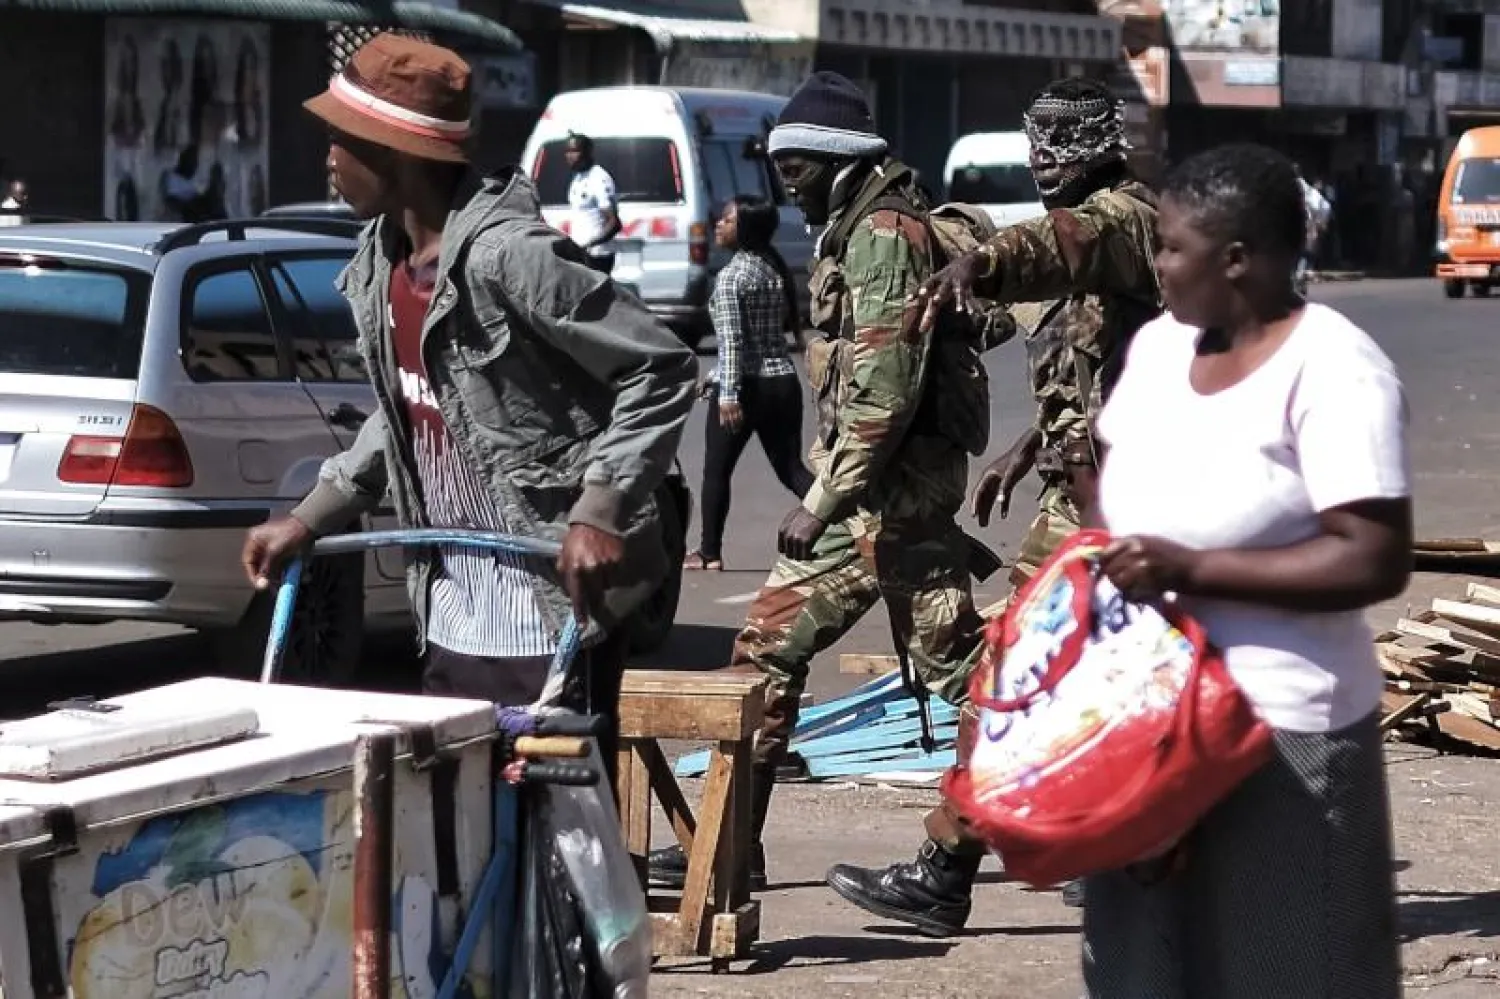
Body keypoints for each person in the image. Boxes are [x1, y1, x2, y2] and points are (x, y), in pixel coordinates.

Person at [239, 35, 696, 781]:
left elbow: (662, 366)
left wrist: (601, 507)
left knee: (560, 843)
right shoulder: (376, 264)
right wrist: (311, 514)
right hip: (451, 601)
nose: (327, 157)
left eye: (340, 140)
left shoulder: (509, 256)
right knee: (460, 833)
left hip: (548, 604)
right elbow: (409, 412)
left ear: (396, 151)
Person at [824, 78, 1161, 936]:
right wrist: (1023, 450)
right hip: (1077, 486)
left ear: (1100, 145)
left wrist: (979, 260)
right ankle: (1103, 848)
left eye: (1061, 143)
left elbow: (1059, 245)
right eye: (1034, 143)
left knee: (1018, 672)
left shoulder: (1123, 218)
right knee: (1077, 680)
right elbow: (1084, 372)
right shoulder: (1092, 237)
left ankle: (948, 867)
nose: (1043, 162)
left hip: (1120, 501)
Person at [649, 71, 993, 893]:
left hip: (889, 501)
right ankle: (730, 850)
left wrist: (821, 500)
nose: (786, 186)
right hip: (869, 503)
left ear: (837, 160)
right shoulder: (856, 225)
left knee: (972, 678)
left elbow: (885, 388)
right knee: (766, 649)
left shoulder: (882, 233)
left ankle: (1111, 813)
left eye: (796, 168)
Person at [1083, 142, 1407, 999]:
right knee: (1143, 971)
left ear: (1238, 260)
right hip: (1144, 723)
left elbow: (1372, 554)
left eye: (1171, 247)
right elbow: (1107, 488)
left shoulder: (1334, 368)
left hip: (1283, 734)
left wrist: (1191, 569)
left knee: (1290, 973)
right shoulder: (1156, 349)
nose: (1156, 263)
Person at [686, 196, 814, 571]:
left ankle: (709, 552)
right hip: (781, 383)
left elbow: (734, 342)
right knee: (792, 469)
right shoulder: (773, 269)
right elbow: (762, 340)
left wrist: (726, 393)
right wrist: (714, 378)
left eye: (727, 220)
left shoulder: (730, 279)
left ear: (745, 229)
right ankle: (846, 528)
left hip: (745, 388)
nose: (718, 225)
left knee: (716, 470)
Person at [565, 132, 621, 274]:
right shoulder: (577, 177)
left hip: (596, 256)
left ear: (587, 153)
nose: (570, 156)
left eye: (575, 151)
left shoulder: (598, 178)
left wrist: (589, 244)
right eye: (568, 151)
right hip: (580, 255)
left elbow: (614, 223)